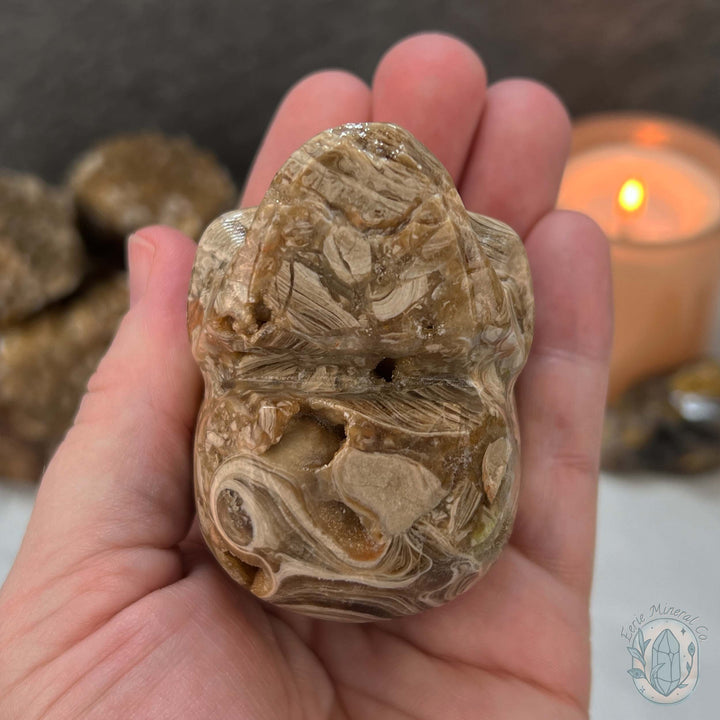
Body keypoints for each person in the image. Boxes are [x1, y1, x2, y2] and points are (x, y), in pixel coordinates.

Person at [0, 33, 611, 720]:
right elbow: (223, 347)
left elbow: (502, 350)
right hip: (291, 516)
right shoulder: (240, 257)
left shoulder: (485, 260)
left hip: (425, 524)